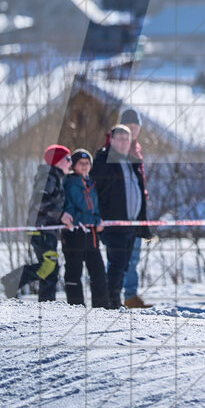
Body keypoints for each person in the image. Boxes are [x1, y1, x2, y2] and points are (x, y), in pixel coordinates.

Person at [0, 145, 74, 299]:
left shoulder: (55, 177)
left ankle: (44, 301)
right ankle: (13, 281)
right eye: (68, 159)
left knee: (50, 267)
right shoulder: (48, 176)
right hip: (41, 230)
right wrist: (60, 214)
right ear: (58, 161)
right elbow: (39, 202)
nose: (70, 162)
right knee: (49, 265)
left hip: (47, 230)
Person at [94, 124, 149, 309]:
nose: (124, 142)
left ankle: (113, 301)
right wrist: (98, 216)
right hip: (113, 224)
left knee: (124, 265)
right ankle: (111, 303)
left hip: (131, 224)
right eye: (120, 139)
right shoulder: (103, 161)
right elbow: (95, 191)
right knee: (117, 264)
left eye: (127, 139)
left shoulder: (131, 162)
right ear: (112, 140)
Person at [114, 109, 153, 309]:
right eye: (129, 127)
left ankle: (130, 296)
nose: (132, 131)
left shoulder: (136, 149)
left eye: (135, 127)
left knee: (134, 256)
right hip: (121, 214)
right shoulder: (115, 149)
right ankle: (113, 294)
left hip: (137, 212)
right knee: (119, 256)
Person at [62, 149, 108, 308]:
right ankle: (76, 307)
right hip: (74, 233)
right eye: (80, 163)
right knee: (74, 271)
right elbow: (69, 208)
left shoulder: (92, 183)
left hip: (92, 233)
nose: (84, 166)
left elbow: (95, 208)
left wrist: (98, 220)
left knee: (98, 272)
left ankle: (101, 307)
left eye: (87, 163)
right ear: (73, 165)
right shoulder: (68, 182)